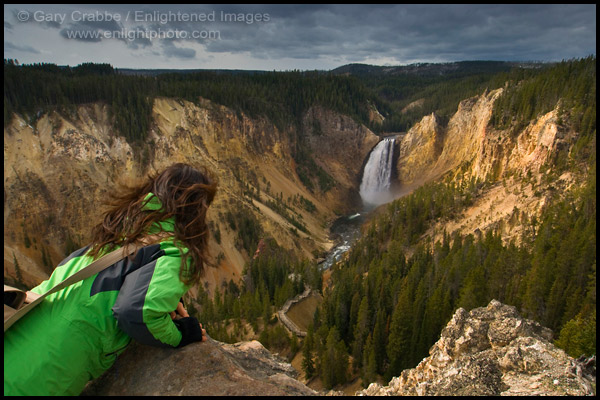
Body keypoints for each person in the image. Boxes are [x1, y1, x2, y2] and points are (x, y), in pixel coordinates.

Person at [4, 163, 218, 396]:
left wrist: (162, 296)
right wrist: (181, 334)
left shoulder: (121, 228)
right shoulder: (176, 250)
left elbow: (111, 280)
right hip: (46, 369)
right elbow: (136, 312)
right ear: (196, 209)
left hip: (20, 337)